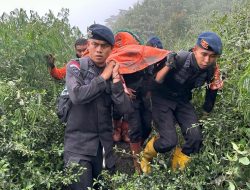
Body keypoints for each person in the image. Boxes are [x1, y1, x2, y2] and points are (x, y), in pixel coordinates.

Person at [140, 31, 223, 173]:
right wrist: (167, 65)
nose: (207, 60)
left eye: (212, 56)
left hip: (182, 100)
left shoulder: (211, 70)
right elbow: (155, 83)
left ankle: (176, 172)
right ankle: (145, 156)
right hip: (162, 98)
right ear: (195, 49)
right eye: (204, 54)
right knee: (168, 141)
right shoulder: (180, 58)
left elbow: (210, 97)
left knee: (195, 138)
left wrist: (204, 115)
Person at [64, 24, 131, 190]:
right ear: (89, 44)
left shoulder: (115, 72)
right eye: (95, 44)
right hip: (78, 148)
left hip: (103, 149)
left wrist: (115, 81)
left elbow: (124, 110)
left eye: (104, 46)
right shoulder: (75, 66)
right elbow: (77, 95)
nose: (99, 50)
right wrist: (104, 76)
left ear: (111, 49)